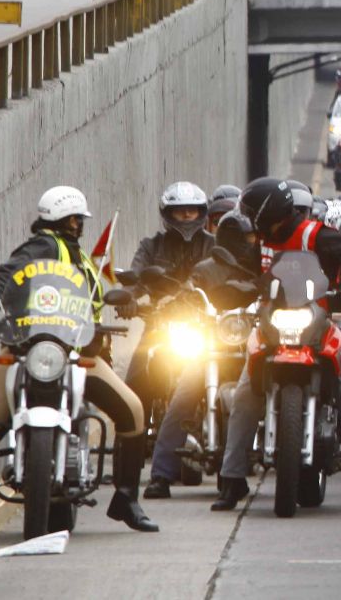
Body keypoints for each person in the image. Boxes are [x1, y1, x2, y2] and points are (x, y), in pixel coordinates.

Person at [0, 186, 159, 532]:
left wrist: (125, 302)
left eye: (79, 220)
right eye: (74, 219)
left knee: (133, 409)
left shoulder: (79, 257)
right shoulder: (43, 247)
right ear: (63, 220)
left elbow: (95, 299)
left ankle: (127, 498)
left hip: (76, 353)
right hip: (28, 351)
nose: (78, 225)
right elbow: (5, 276)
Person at [211, 177, 341, 510]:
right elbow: (249, 274)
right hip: (271, 326)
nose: (247, 217)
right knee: (245, 395)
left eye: (251, 211)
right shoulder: (261, 241)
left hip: (320, 324)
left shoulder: (315, 234)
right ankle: (232, 479)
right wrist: (230, 285)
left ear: (267, 211)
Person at [125, 181, 216, 500]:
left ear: (202, 213)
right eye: (180, 211)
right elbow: (136, 276)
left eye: (192, 210)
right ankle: (130, 459)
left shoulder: (214, 246)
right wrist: (129, 298)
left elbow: (226, 277)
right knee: (134, 382)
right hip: (160, 325)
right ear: (168, 214)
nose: (187, 217)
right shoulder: (152, 246)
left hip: (204, 327)